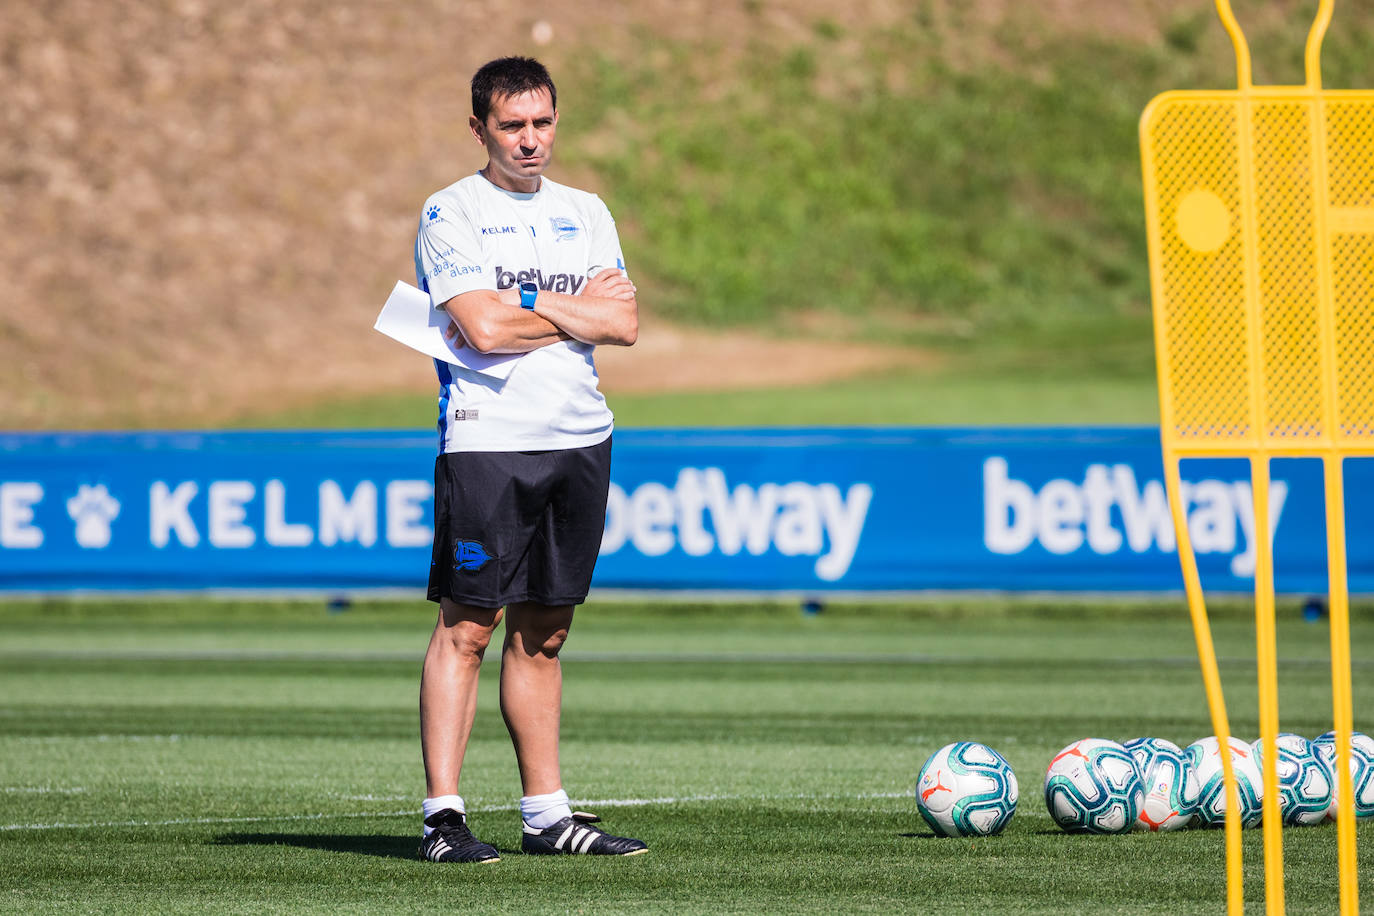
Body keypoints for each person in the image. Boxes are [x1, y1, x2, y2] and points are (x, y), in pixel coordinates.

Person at [411, 56, 643, 863]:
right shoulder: (451, 212)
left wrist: (534, 303)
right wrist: (571, 309)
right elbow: (482, 330)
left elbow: (623, 327)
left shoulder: (588, 211)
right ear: (479, 129)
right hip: (487, 443)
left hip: (581, 437)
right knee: (469, 626)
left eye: (543, 122)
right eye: (512, 125)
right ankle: (443, 817)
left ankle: (547, 816)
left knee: (545, 634)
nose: (531, 140)